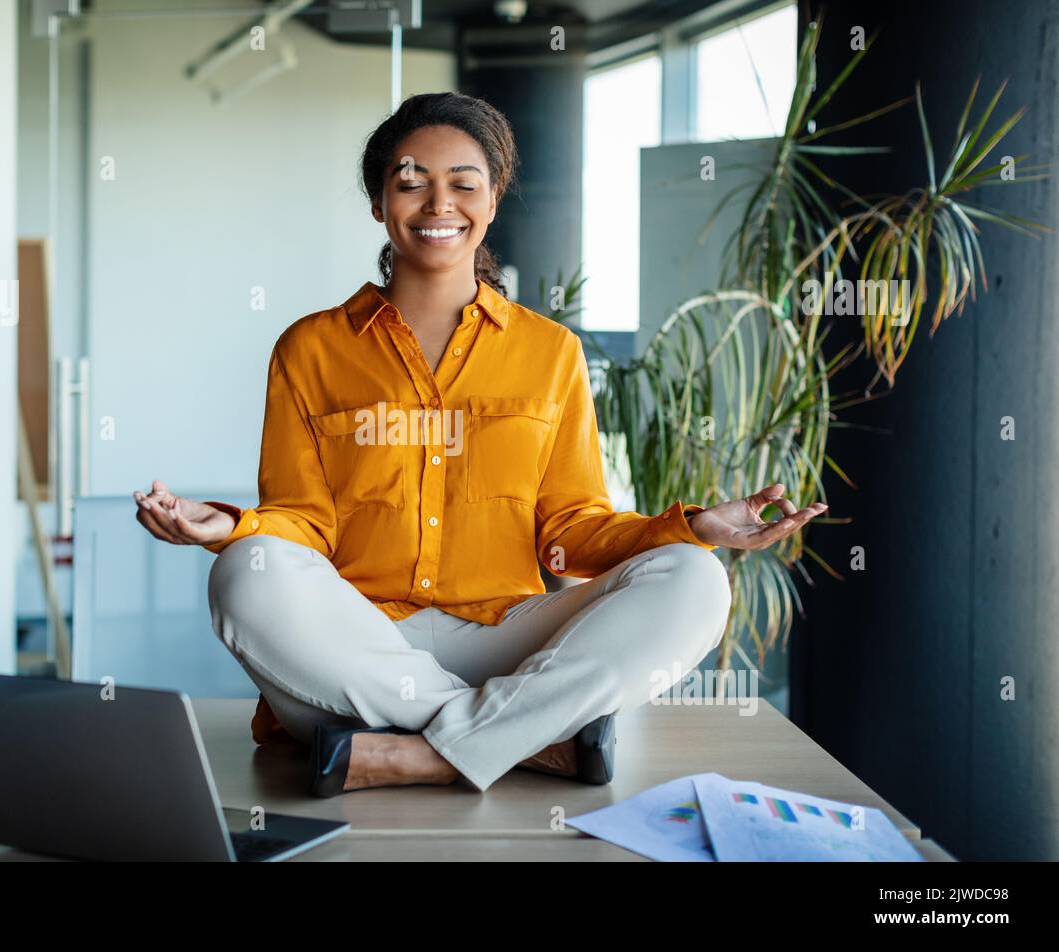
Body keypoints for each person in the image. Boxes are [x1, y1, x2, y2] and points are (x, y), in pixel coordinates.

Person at [134, 92, 825, 797]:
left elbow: (570, 532)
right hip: (363, 647)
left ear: (492, 200)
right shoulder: (309, 349)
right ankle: (526, 737)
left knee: (695, 577)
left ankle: (409, 754)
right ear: (379, 202)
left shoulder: (549, 352)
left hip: (511, 641)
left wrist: (691, 528)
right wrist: (228, 526)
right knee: (244, 571)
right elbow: (302, 530)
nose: (439, 204)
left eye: (463, 183)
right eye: (412, 182)